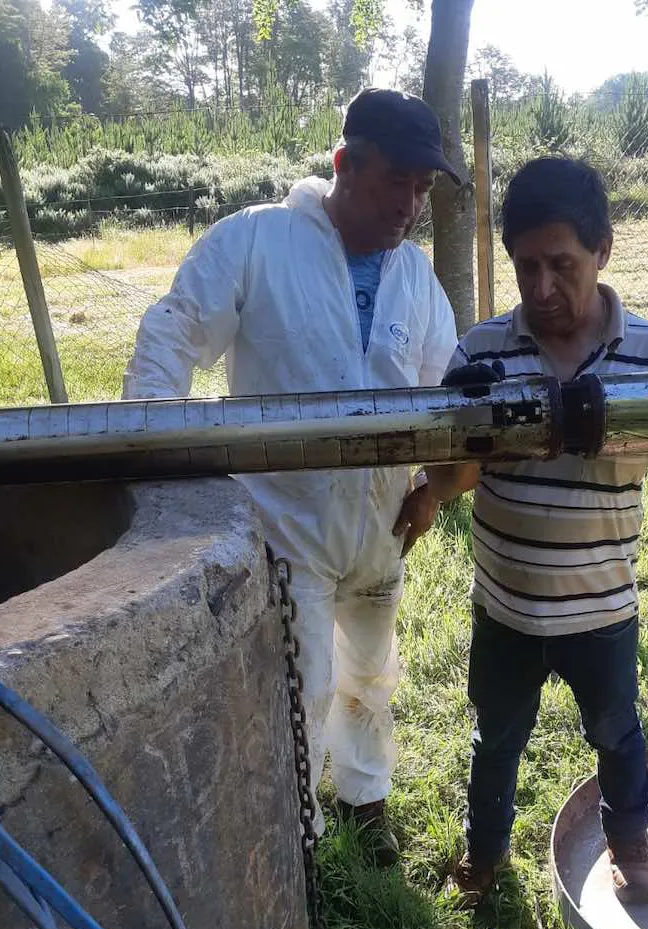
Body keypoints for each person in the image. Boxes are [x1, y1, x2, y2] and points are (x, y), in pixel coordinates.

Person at [123, 88, 460, 866]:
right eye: (396, 182)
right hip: (285, 524)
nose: (410, 204)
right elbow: (173, 333)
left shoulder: (414, 279)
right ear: (345, 164)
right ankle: (297, 836)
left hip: (382, 523)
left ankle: (365, 797)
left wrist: (437, 486)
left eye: (423, 187)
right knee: (302, 682)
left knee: (372, 667)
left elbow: (449, 389)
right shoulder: (256, 242)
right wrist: (147, 448)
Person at [426, 157, 648, 906]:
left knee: (618, 737)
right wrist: (464, 427)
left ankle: (630, 845)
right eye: (525, 266)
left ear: (604, 249)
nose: (541, 289)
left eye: (562, 265)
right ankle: (484, 855)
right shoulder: (480, 352)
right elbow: (448, 486)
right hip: (505, 608)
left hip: (602, 612)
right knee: (496, 740)